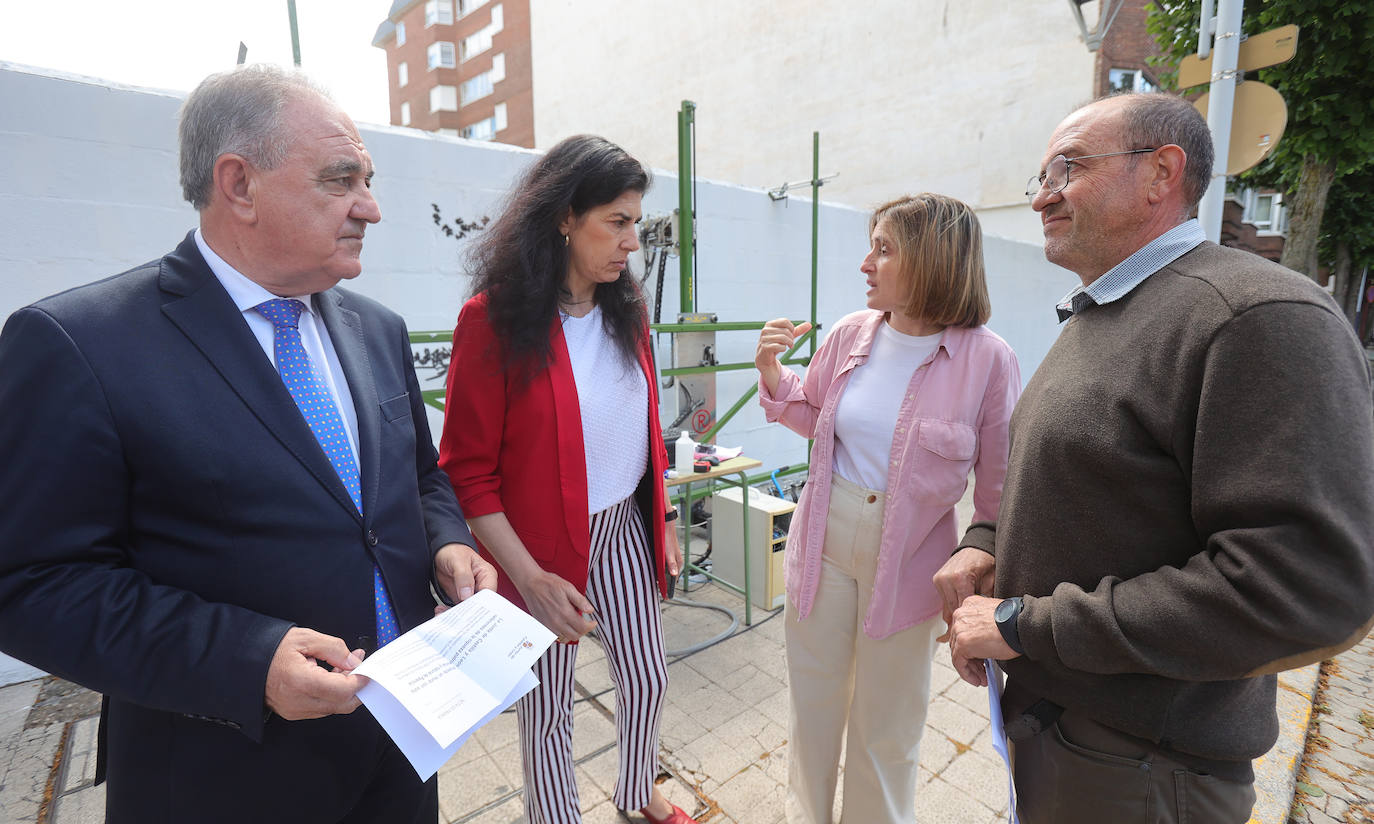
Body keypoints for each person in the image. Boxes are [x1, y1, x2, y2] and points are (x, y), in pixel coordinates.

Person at [0, 65, 496, 824]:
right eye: (342, 179)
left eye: (368, 179)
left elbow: (419, 478)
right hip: (224, 776)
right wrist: (244, 660)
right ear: (238, 184)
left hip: (399, 748)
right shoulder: (80, 343)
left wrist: (445, 542)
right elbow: (33, 585)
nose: (372, 206)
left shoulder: (377, 328)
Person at [939, 92, 1374, 824]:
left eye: (1067, 167)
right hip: (1069, 740)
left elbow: (1307, 589)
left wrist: (1024, 624)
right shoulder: (1105, 312)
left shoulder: (1252, 315)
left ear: (1160, 173)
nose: (1042, 194)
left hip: (1143, 768)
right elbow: (1082, 478)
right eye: (1040, 174)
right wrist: (985, 546)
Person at [438, 135, 695, 824]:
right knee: (547, 709)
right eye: (617, 221)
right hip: (538, 546)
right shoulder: (492, 322)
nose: (632, 242)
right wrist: (528, 578)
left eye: (636, 222)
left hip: (622, 530)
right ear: (563, 218)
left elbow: (647, 428)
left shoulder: (626, 310)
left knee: (647, 675)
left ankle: (637, 790)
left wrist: (663, 518)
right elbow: (466, 470)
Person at [755, 193, 1020, 824]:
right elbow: (816, 418)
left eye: (883, 248)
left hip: (911, 562)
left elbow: (999, 488)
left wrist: (984, 578)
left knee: (888, 727)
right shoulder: (851, 333)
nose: (866, 263)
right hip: (822, 539)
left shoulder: (988, 360)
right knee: (814, 709)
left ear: (930, 259)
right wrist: (772, 374)